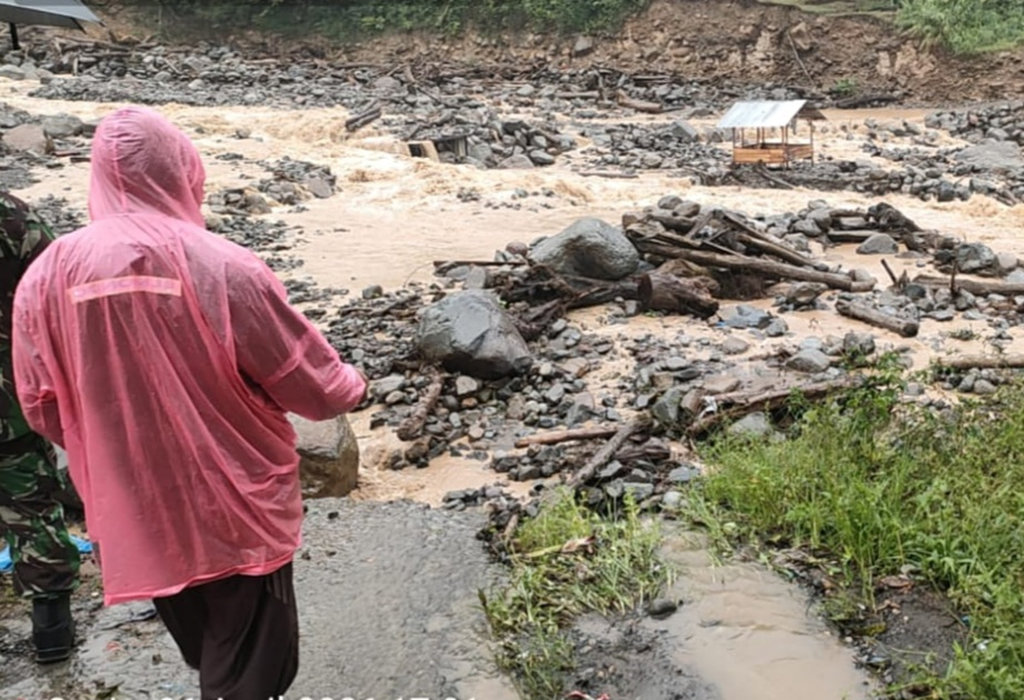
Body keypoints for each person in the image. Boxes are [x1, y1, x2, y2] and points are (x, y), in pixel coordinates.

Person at [12, 106, 368, 698]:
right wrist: (355, 385)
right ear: (182, 171)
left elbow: (41, 404)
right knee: (253, 664)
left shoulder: (47, 276)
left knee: (207, 645)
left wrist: (113, 440)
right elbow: (314, 387)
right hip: (237, 499)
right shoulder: (222, 265)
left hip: (136, 503)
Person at [0, 192, 81, 663]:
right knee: (30, 505)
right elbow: (56, 293)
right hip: (10, 399)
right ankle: (52, 629)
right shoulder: (12, 217)